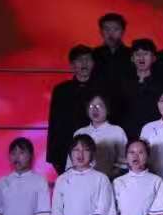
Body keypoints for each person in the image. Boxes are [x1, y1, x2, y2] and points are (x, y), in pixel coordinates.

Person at [47, 45, 102, 174]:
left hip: (97, 148)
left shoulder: (102, 89)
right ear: (72, 65)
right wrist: (53, 156)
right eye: (79, 60)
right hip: (66, 149)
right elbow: (54, 123)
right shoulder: (61, 90)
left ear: (93, 64)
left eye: (87, 59)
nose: (84, 63)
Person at [69, 93, 127, 178]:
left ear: (107, 109)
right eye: (91, 106)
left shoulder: (117, 131)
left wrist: (107, 177)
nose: (94, 109)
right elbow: (70, 164)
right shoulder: (79, 132)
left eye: (99, 106)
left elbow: (124, 164)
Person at [119, 38, 163, 140]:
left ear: (153, 58)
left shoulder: (162, 84)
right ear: (132, 58)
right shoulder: (123, 82)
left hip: (154, 132)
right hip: (128, 133)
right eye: (137, 54)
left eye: (145, 54)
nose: (141, 58)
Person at [92, 12, 134, 85]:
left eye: (116, 29)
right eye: (106, 29)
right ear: (101, 32)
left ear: (123, 31)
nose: (111, 33)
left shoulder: (132, 54)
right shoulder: (93, 54)